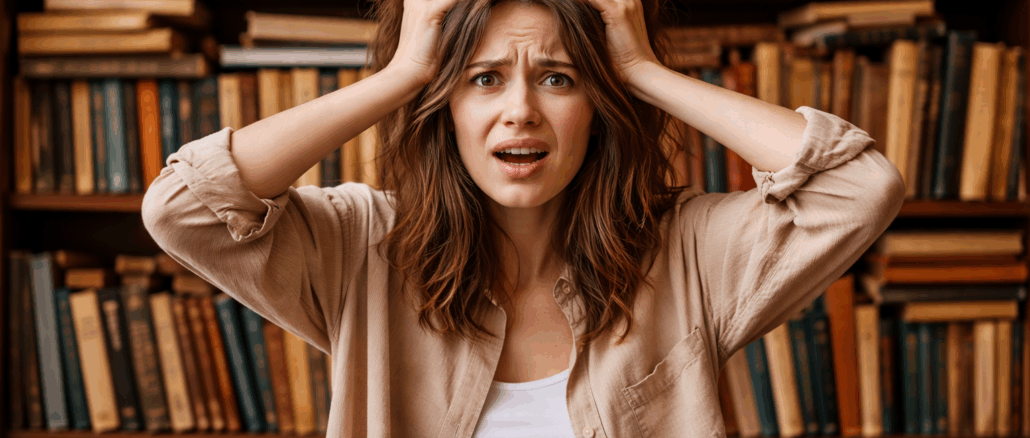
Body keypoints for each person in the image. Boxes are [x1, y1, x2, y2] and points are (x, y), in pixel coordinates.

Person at [141, 0, 905, 435]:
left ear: (599, 112)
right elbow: (183, 210)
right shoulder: (359, 247)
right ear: (443, 110)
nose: (520, 113)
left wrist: (640, 70)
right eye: (482, 79)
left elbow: (858, 189)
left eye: (557, 77)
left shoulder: (688, 253)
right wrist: (404, 73)